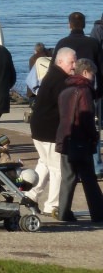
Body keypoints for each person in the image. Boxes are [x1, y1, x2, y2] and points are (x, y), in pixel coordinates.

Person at [27, 47, 77, 217]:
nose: (74, 65)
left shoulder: (52, 75)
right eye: (72, 62)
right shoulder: (61, 80)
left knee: (44, 163)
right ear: (60, 61)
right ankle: (52, 205)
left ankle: (31, 195)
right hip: (49, 130)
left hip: (38, 127)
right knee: (57, 168)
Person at [51, 11, 103, 178]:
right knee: (91, 126)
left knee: (69, 125)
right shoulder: (93, 43)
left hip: (67, 90)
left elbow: (55, 70)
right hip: (89, 89)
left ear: (69, 25)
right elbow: (101, 69)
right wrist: (99, 93)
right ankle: (95, 165)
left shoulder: (63, 43)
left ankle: (72, 164)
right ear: (85, 25)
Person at [56, 58, 103, 222]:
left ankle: (63, 213)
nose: (94, 79)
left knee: (67, 179)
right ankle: (98, 213)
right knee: (89, 178)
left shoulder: (65, 90)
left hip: (65, 138)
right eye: (92, 75)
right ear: (85, 73)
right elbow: (86, 116)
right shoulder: (84, 91)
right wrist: (93, 136)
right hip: (80, 139)